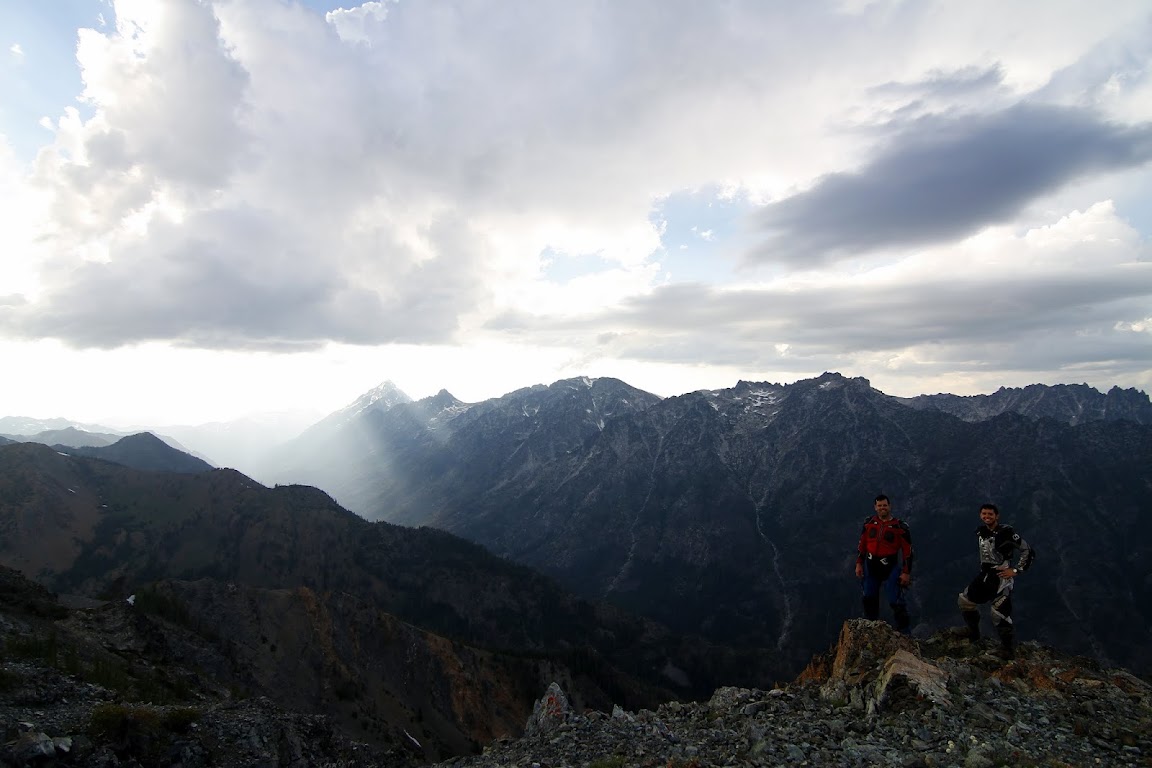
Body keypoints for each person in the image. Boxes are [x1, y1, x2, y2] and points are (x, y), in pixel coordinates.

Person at [957, 503, 1035, 659]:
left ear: (997, 516)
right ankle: (973, 633)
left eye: (990, 514)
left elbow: (1027, 550)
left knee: (999, 613)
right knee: (965, 601)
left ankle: (1008, 649)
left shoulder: (1006, 533)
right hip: (985, 575)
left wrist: (1015, 570)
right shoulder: (982, 531)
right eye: (984, 514)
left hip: (1001, 578)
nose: (987, 517)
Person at [855, 494, 913, 632]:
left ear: (889, 506)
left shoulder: (900, 527)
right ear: (875, 507)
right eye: (879, 505)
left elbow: (908, 552)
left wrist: (906, 572)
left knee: (896, 602)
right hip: (871, 567)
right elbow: (862, 545)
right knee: (869, 599)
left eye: (885, 505)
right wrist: (858, 563)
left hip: (890, 568)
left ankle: (906, 635)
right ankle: (871, 630)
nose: (882, 508)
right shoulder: (868, 523)